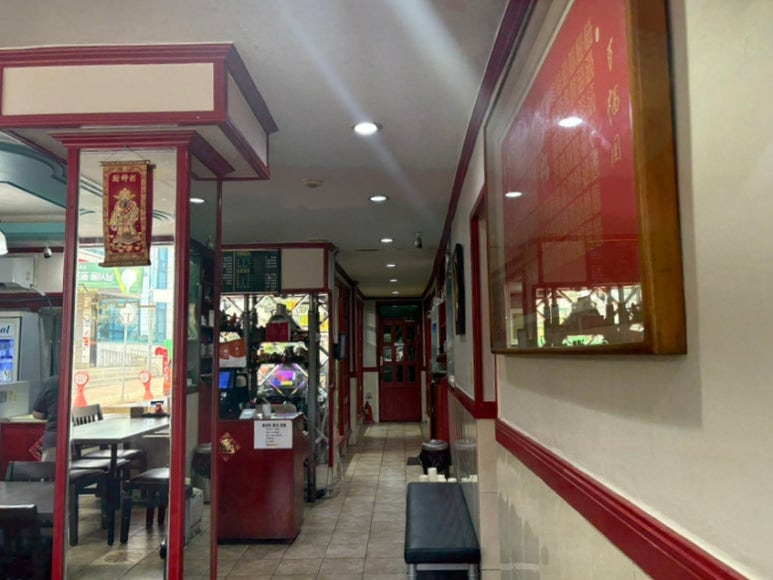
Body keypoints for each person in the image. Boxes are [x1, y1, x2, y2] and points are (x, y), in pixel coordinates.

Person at [32, 374, 59, 462]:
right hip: (84, 438)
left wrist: (52, 414)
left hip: (54, 439)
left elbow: (37, 414)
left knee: (49, 470)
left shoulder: (51, 382)